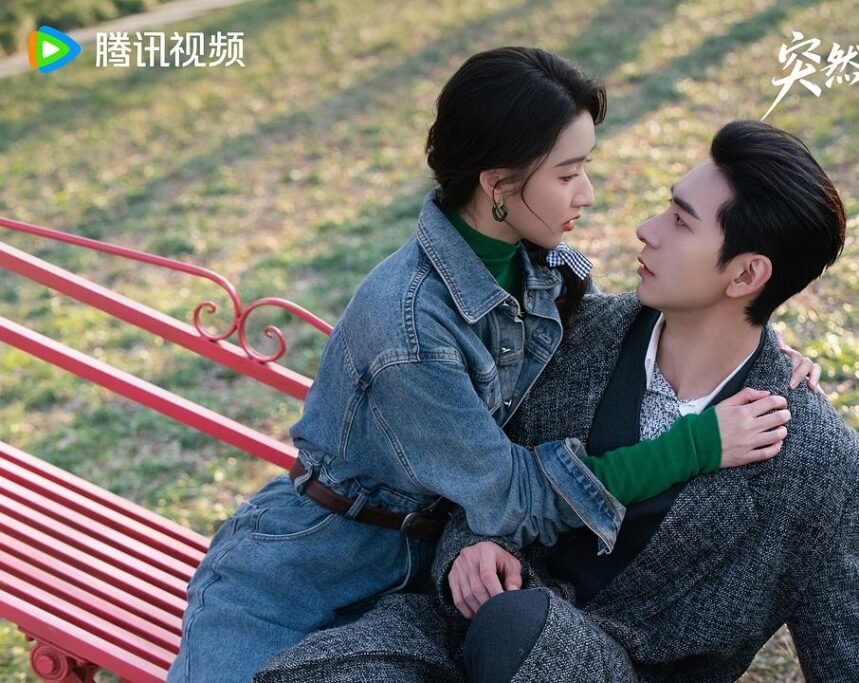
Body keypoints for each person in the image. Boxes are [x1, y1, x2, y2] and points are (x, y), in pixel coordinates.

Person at [168, 50, 813, 682]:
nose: (587, 194)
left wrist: (750, 337)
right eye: (568, 174)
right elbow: (512, 498)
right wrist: (694, 447)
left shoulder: (547, 266)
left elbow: (624, 328)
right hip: (305, 573)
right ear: (499, 184)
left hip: (432, 578)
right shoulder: (410, 328)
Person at [253, 120, 859, 683]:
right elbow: (484, 474)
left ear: (747, 274)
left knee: (521, 629)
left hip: (602, 667)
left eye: (680, 221)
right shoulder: (572, 331)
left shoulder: (816, 462)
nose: (646, 230)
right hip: (459, 634)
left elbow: (848, 653)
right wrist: (472, 546)